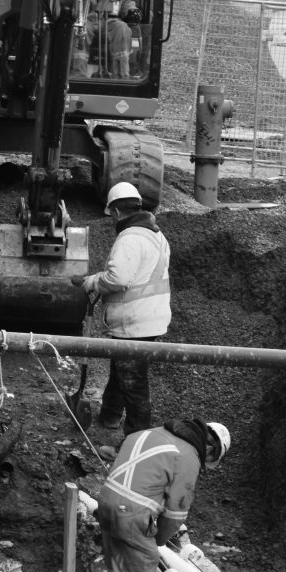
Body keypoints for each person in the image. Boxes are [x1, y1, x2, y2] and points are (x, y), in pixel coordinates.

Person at [96, 418, 231, 572]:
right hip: (133, 516)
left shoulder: (149, 433)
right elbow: (175, 514)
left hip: (106, 505)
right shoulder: (189, 455)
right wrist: (158, 540)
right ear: (210, 449)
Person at [75, 181, 170, 435]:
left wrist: (93, 281)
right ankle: (109, 416)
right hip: (150, 319)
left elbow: (118, 279)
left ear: (116, 212)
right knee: (121, 373)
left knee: (134, 384)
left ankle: (136, 441)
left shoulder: (129, 238)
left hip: (134, 322)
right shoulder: (155, 234)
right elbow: (137, 275)